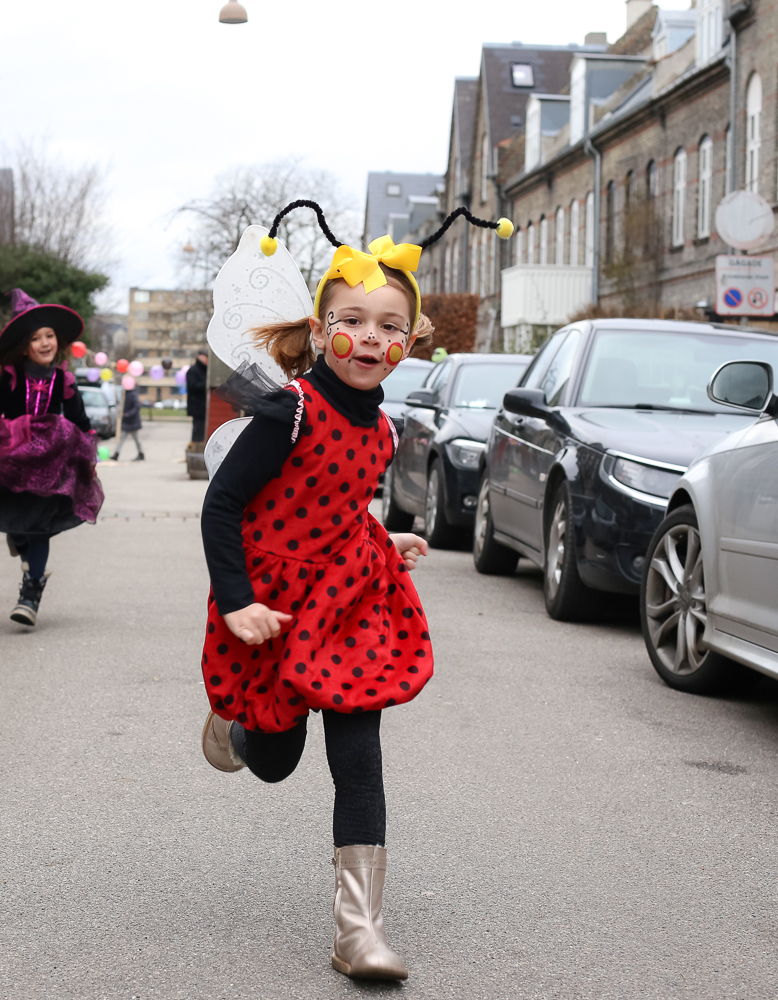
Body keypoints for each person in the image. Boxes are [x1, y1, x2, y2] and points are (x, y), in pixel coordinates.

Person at [197, 200, 513, 981]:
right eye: (353, 320)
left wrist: (384, 537)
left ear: (410, 342)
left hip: (348, 604)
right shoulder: (289, 412)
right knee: (275, 761)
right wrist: (237, 602)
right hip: (268, 603)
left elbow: (344, 506)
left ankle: (357, 931)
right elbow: (223, 506)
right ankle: (238, 732)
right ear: (320, 326)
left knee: (359, 753)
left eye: (388, 326)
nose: (370, 337)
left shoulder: (383, 429)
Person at [0, 290, 103, 626]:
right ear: (25, 346)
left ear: (57, 341)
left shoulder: (65, 382)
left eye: (49, 336)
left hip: (51, 470)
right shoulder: (11, 380)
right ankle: (21, 547)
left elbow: (82, 426)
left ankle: (30, 592)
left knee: (39, 528)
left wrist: (88, 457)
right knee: (19, 528)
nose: (44, 343)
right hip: (13, 467)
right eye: (35, 338)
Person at [112, 384, 144, 461]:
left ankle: (141, 453)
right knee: (121, 438)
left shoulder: (133, 394)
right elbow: (122, 406)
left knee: (137, 440)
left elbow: (136, 407)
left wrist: (128, 414)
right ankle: (116, 453)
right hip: (126, 422)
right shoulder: (123, 394)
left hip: (133, 422)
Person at [186, 349, 208, 443]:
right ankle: (196, 448)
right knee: (198, 430)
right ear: (200, 356)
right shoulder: (193, 370)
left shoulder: (205, 370)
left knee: (202, 430)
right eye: (206, 357)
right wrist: (205, 385)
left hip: (202, 406)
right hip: (197, 406)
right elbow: (192, 386)